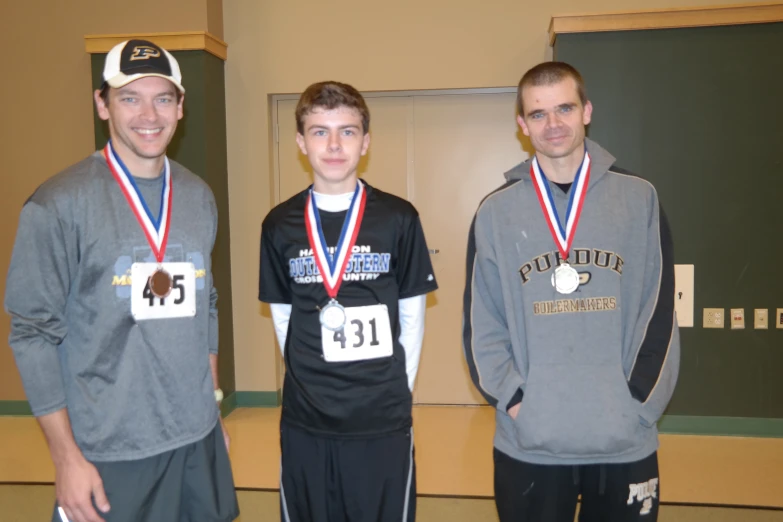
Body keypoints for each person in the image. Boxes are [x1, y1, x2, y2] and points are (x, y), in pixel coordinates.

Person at [5, 39, 239, 522]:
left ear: (180, 107)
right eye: (130, 97)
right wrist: (66, 457)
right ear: (102, 104)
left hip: (195, 441)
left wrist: (212, 408)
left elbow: (206, 303)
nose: (148, 114)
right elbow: (32, 333)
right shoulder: (57, 204)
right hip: (107, 450)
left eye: (163, 98)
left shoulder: (198, 196)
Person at [462, 61, 680, 522]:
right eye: (538, 114)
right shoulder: (495, 212)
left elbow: (659, 309)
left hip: (623, 438)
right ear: (523, 125)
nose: (553, 123)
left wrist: (637, 402)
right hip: (531, 443)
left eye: (564, 107)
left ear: (587, 111)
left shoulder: (639, 198)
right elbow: (482, 321)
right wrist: (518, 400)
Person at [258, 81, 438, 522]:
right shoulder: (278, 223)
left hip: (380, 415)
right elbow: (284, 317)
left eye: (348, 131)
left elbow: (411, 316)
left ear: (366, 141)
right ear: (301, 142)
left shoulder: (399, 217)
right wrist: (307, 383)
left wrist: (398, 389)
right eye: (320, 132)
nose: (334, 145)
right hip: (306, 419)